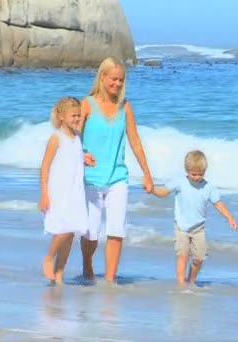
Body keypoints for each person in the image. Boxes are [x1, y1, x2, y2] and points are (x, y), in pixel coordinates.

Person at [79, 56, 154, 283]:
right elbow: (73, 137)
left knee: (116, 230)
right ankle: (87, 263)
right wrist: (81, 155)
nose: (118, 84)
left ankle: (110, 279)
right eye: (114, 79)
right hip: (91, 178)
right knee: (91, 232)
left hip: (118, 177)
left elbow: (135, 141)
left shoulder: (125, 107)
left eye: (121, 80)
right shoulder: (86, 104)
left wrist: (147, 174)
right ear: (102, 78)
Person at [151, 150, 238, 287]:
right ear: (187, 171)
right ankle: (180, 283)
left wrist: (229, 218)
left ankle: (191, 281)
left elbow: (218, 204)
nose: (197, 177)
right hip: (181, 228)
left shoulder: (208, 187)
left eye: (200, 174)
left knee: (199, 258)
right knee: (183, 255)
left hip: (199, 229)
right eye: (194, 174)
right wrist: (153, 190)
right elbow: (164, 192)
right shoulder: (180, 182)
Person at [39, 96, 88, 284]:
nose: (77, 119)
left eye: (79, 115)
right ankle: (49, 256)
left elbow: (72, 159)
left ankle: (59, 273)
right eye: (73, 116)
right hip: (59, 192)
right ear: (61, 116)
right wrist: (44, 194)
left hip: (75, 191)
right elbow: (44, 168)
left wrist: (85, 158)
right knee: (63, 230)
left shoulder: (77, 138)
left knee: (71, 233)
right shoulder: (56, 138)